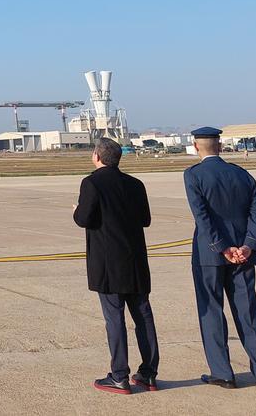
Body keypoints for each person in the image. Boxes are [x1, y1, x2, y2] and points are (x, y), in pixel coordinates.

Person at [184, 127, 256, 389]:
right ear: (220, 146)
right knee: (248, 312)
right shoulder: (241, 174)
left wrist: (221, 247)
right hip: (243, 255)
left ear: (195, 146)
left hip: (209, 255)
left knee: (212, 311)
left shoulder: (194, 175)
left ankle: (223, 372)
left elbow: (202, 216)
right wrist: (248, 245)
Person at [73, 137, 159, 394]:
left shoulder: (92, 183)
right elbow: (145, 219)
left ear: (98, 156)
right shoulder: (135, 184)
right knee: (143, 316)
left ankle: (119, 375)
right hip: (135, 261)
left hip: (109, 264)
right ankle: (149, 373)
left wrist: (76, 210)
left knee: (115, 318)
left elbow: (84, 218)